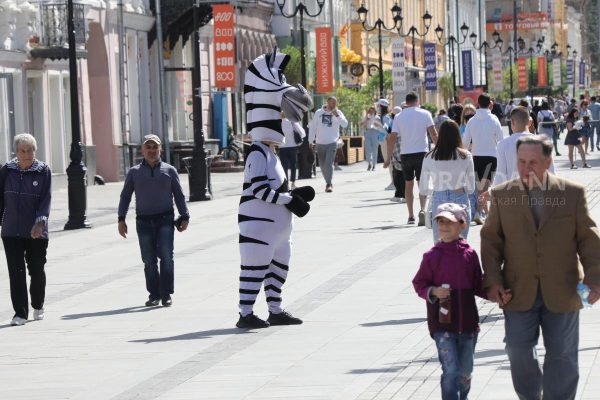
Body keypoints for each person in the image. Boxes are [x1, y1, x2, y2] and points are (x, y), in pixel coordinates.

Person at [481, 135, 600, 400]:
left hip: (564, 288)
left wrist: (595, 278)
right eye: (521, 162)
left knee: (563, 354)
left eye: (533, 162)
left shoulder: (572, 193)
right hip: (517, 289)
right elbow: (491, 241)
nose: (526, 168)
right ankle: (531, 395)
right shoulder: (502, 195)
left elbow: (589, 239)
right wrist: (493, 281)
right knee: (517, 349)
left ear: (547, 162)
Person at [236, 50, 314, 329]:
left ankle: (275, 308)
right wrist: (288, 199)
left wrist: (293, 194)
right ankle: (245, 312)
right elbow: (258, 190)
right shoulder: (257, 153)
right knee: (254, 269)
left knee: (277, 269)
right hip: (259, 228)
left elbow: (273, 186)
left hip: (276, 231)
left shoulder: (270, 153)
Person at [412, 202, 488, 400]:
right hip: (443, 326)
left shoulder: (470, 254)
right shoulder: (431, 257)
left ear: (463, 225)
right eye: (441, 222)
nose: (444, 226)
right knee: (451, 370)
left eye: (450, 222)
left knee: (465, 372)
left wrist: (499, 294)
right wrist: (433, 291)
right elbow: (419, 283)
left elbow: (478, 285)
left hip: (469, 326)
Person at [118, 134, 190, 307]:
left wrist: (185, 215)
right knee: (149, 260)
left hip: (165, 219)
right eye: (148, 147)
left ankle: (166, 294)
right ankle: (154, 294)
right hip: (143, 222)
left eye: (154, 147)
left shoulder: (170, 170)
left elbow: (179, 196)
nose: (151, 150)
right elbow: (125, 196)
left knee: (166, 256)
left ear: (160, 150)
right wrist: (121, 218)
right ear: (142, 150)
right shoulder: (134, 172)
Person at [0, 134, 51, 326]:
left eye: (31, 150)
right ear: (16, 152)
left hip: (35, 230)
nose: (28, 154)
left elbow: (46, 198)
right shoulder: (6, 170)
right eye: (23, 150)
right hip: (11, 230)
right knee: (16, 271)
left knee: (36, 269)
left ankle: (38, 304)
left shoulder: (43, 171)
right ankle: (20, 313)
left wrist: (40, 222)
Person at [384, 92, 438, 225]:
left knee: (408, 185)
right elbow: (433, 133)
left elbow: (392, 138)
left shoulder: (399, 116)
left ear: (406, 102)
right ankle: (423, 210)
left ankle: (411, 215)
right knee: (422, 184)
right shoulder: (425, 114)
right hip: (422, 153)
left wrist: (388, 157)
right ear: (417, 101)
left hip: (406, 154)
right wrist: (439, 150)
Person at [419, 120, 476, 243]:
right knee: (460, 244)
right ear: (457, 135)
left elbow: (423, 188)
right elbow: (471, 188)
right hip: (460, 197)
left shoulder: (429, 156)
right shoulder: (465, 156)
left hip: (438, 199)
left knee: (440, 245)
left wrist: (435, 190)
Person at [463, 93, 504, 224]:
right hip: (491, 157)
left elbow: (465, 142)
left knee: (480, 188)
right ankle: (478, 212)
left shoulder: (471, 120)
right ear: (490, 104)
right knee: (484, 188)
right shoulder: (494, 119)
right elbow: (501, 140)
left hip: (475, 157)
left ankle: (484, 214)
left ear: (478, 104)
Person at [309, 96, 348, 192]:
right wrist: (310, 141)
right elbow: (313, 127)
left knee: (328, 164)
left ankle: (329, 184)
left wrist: (337, 116)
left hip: (332, 142)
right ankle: (328, 181)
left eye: (335, 103)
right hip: (320, 143)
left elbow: (345, 124)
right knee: (322, 165)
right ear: (327, 102)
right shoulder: (319, 113)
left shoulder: (338, 113)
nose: (333, 105)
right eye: (332, 103)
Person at [279, 116, 305, 189]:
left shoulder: (278, 122)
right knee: (293, 166)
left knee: (284, 167)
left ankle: (286, 184)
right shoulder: (292, 121)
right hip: (292, 146)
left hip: (282, 147)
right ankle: (293, 183)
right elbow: (303, 133)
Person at [388, 105, 406, 203]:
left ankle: (402, 194)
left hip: (397, 145)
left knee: (399, 172)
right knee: (397, 172)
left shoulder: (395, 121)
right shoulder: (402, 120)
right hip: (400, 145)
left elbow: (391, 134)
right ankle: (399, 194)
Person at [360, 105, 383, 171]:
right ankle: (369, 163)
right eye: (370, 109)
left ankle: (374, 165)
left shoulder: (377, 117)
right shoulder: (367, 117)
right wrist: (366, 118)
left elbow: (381, 126)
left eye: (372, 109)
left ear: (375, 110)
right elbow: (361, 124)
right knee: (368, 149)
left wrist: (377, 126)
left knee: (375, 149)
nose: (371, 110)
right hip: (367, 132)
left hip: (375, 132)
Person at [379, 99, 395, 191]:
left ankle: (394, 182)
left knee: (389, 162)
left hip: (385, 141)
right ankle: (393, 181)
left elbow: (388, 129)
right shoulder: (383, 117)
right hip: (383, 140)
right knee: (389, 162)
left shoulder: (385, 117)